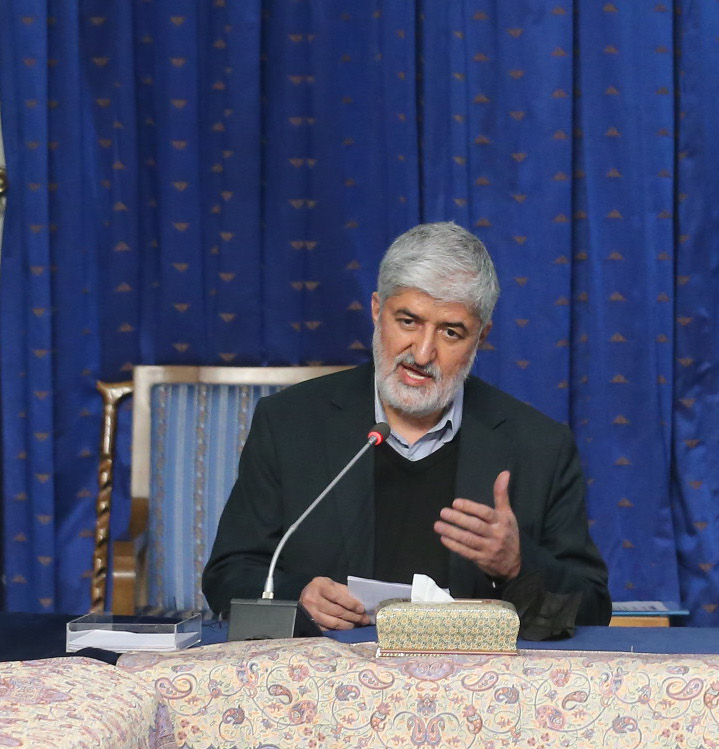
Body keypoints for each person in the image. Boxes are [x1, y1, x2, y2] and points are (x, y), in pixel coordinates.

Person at [202, 222, 611, 637]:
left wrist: (518, 564)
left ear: (481, 338)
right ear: (377, 310)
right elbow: (227, 575)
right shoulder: (289, 423)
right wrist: (297, 598)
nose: (422, 353)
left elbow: (593, 609)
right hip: (332, 672)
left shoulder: (539, 446)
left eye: (450, 332)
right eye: (409, 321)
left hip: (474, 674)